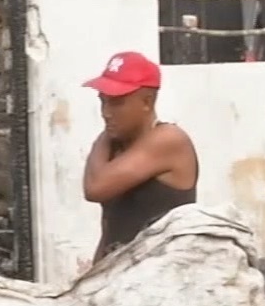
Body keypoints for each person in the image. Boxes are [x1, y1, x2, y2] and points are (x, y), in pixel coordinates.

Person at [81, 50, 200, 263]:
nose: (106, 112)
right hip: (122, 276)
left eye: (116, 103)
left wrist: (104, 137)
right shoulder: (118, 146)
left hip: (161, 278)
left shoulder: (168, 139)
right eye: (103, 102)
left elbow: (95, 187)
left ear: (147, 101)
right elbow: (111, 227)